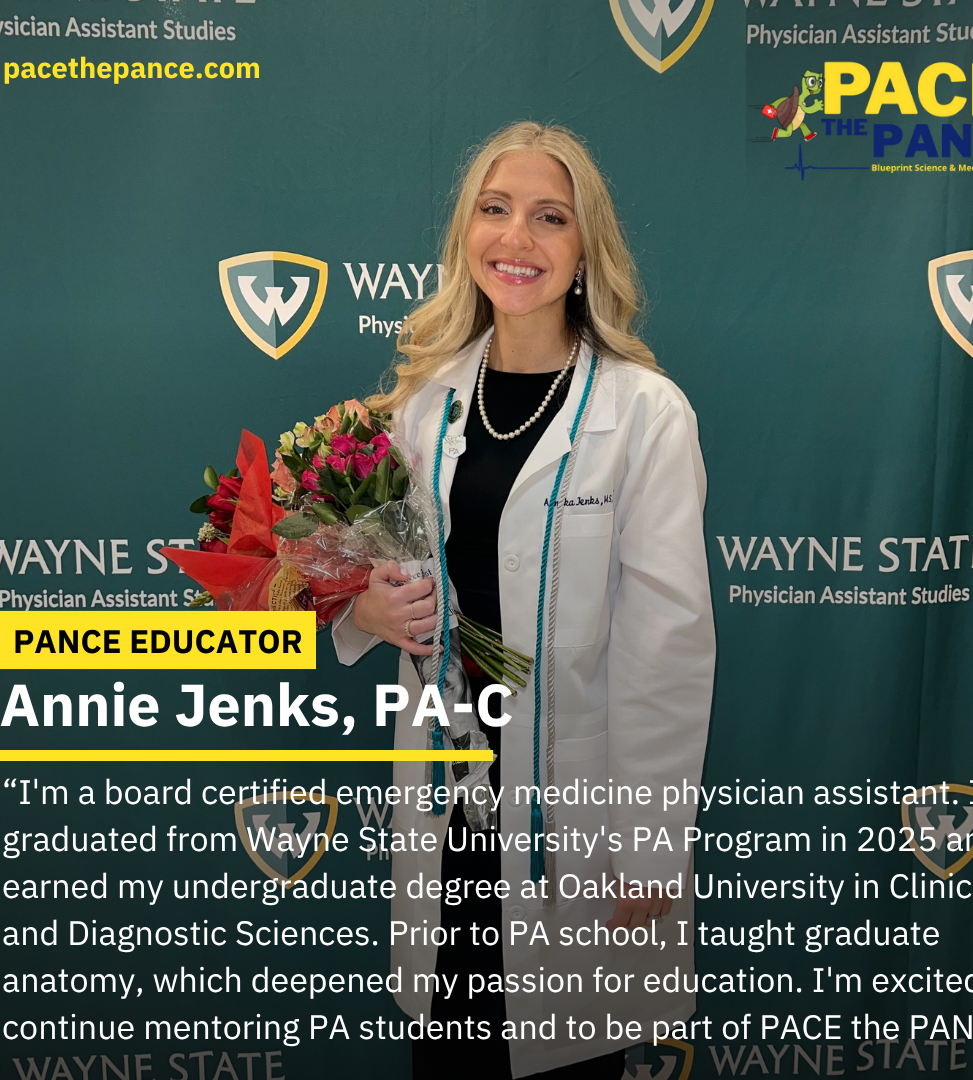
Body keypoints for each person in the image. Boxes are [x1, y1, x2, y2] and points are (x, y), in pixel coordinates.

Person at [333, 121, 716, 1079]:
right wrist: (360, 613)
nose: (519, 239)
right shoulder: (425, 406)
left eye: (551, 217)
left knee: (565, 1057)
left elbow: (666, 650)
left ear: (587, 249)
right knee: (450, 1051)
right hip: (449, 804)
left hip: (572, 821)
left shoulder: (643, 412)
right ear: (467, 235)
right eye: (495, 211)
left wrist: (652, 851)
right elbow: (386, 581)